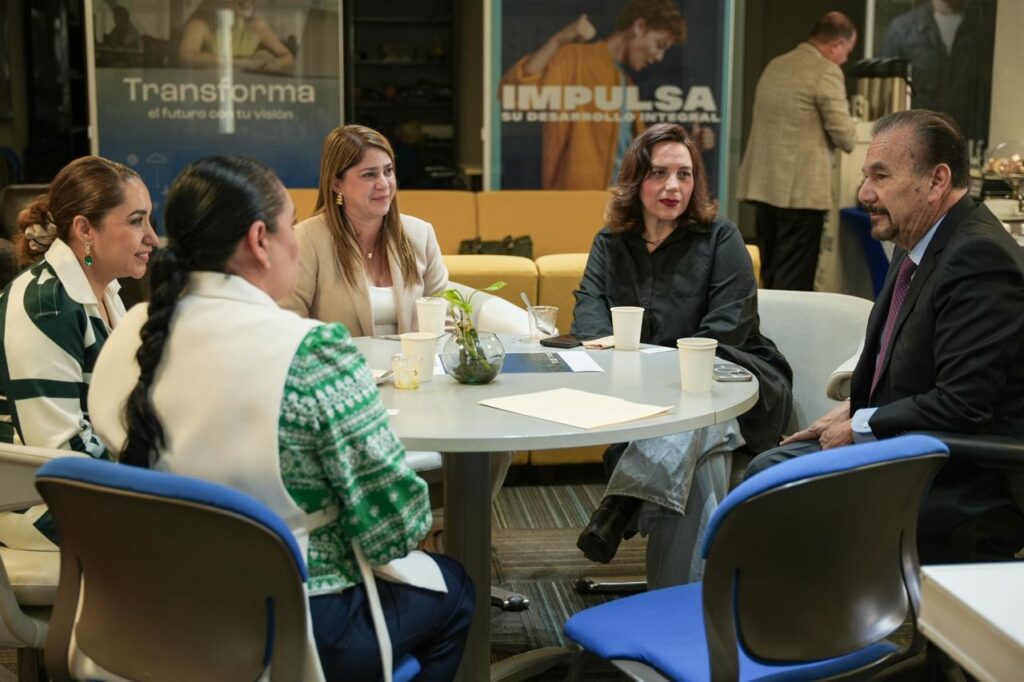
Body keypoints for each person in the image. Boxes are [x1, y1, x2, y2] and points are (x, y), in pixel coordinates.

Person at [88, 156, 474, 680]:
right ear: (259, 240)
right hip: (292, 627)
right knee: (456, 589)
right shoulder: (313, 353)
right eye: (291, 224)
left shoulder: (132, 334)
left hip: (154, 611)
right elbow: (394, 530)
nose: (298, 238)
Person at [746, 110, 1024, 563]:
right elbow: (915, 370)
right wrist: (855, 409)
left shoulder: (978, 257)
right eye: (865, 175)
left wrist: (860, 426)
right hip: (916, 447)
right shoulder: (917, 238)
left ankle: (803, 625)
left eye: (881, 176)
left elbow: (961, 404)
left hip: (965, 479)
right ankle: (791, 624)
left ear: (936, 181)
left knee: (771, 483)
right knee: (768, 472)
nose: (864, 193)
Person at [571, 123, 793, 588]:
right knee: (702, 456)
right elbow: (590, 320)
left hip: (734, 381)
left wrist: (643, 366)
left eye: (684, 174)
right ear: (637, 181)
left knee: (699, 413)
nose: (673, 186)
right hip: (653, 400)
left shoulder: (721, 237)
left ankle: (622, 502)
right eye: (659, 173)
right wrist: (637, 369)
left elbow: (725, 329)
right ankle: (685, 604)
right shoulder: (610, 244)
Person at [0, 155, 156, 550]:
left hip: (95, 489)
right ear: (85, 229)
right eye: (137, 221)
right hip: (41, 508)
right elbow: (62, 456)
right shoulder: (44, 307)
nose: (152, 237)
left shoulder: (104, 291)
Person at [500, 0, 713, 190]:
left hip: (618, 208)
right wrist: (559, 40)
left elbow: (640, 156)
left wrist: (691, 147)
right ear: (639, 27)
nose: (659, 57)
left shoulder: (625, 83)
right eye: (659, 45)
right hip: (574, 204)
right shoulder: (576, 58)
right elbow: (515, 95)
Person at [280, 124, 448, 336]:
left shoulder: (421, 234)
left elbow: (445, 319)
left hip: (414, 367)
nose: (383, 184)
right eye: (369, 175)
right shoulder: (307, 239)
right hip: (339, 367)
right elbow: (288, 322)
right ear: (336, 184)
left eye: (388, 171)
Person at [737, 11, 858, 291]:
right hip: (801, 194)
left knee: (770, 274)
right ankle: (790, 335)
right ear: (836, 45)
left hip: (765, 190)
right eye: (847, 51)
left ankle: (767, 331)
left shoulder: (776, 64)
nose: (846, 59)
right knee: (795, 283)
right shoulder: (826, 71)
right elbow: (846, 137)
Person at [879, 0, 993, 148]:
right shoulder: (903, 29)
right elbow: (887, 91)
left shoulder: (980, 31)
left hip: (963, 141)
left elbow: (985, 93)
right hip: (915, 139)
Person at [178, 0, 294, 70]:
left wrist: (273, 64)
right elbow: (186, 56)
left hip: (248, 89)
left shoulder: (257, 27)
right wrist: (244, 63)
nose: (248, 1)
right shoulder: (199, 25)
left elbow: (287, 56)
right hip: (207, 89)